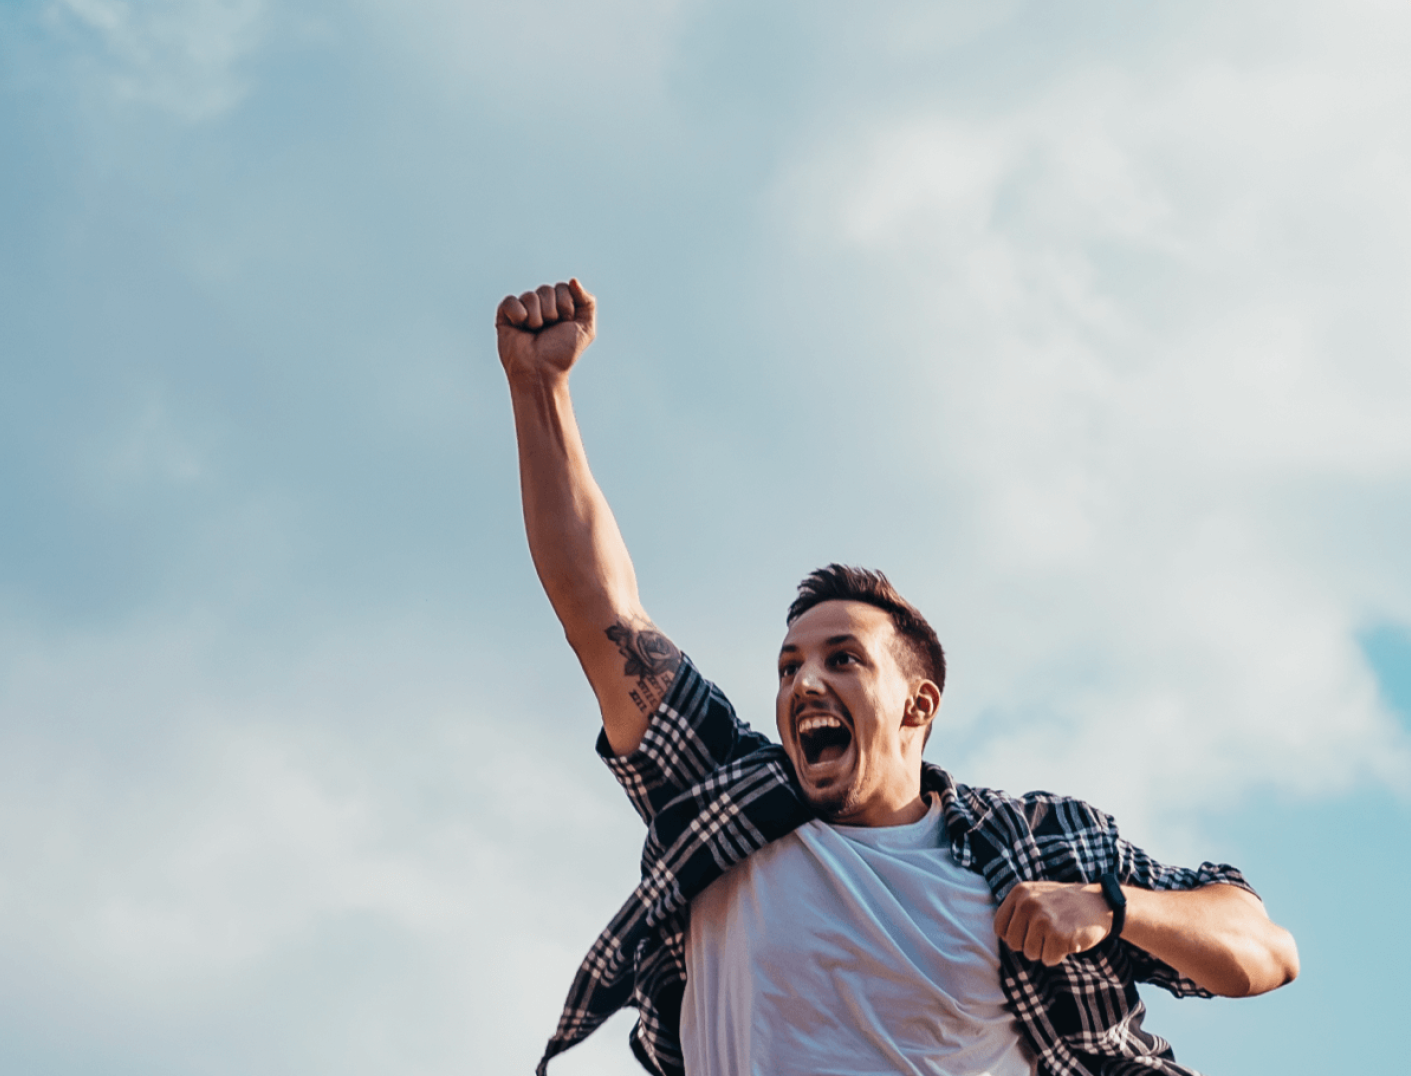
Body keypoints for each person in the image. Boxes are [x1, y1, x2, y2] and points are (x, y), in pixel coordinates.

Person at [497, 278, 1300, 1076]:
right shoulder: (725, 796)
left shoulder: (1032, 848)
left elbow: (1263, 948)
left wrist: (1110, 907)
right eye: (789, 667)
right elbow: (600, 609)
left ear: (918, 703)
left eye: (842, 658)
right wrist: (541, 390)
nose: (804, 682)